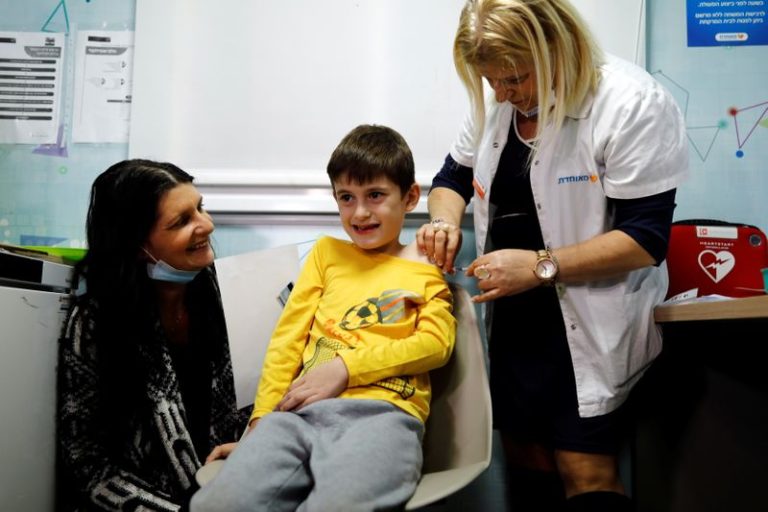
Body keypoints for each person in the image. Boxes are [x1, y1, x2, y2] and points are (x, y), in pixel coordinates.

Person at [415, 1, 689, 510]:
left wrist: (541, 266)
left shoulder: (630, 103)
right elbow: (452, 178)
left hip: (590, 317)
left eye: (514, 78)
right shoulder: (501, 104)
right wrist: (443, 222)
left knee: (585, 469)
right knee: (527, 463)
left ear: (555, 46)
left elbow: (644, 239)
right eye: (491, 81)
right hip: (515, 319)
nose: (501, 94)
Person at [190, 124, 456, 512]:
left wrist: (346, 368)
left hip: (383, 414)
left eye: (375, 195)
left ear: (411, 197)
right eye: (346, 198)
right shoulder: (327, 254)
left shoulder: (425, 267)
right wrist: (260, 423)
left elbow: (436, 344)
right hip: (295, 416)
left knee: (337, 504)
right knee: (218, 504)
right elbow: (288, 339)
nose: (359, 212)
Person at [57, 159, 248, 511]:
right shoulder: (96, 325)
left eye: (200, 207)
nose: (207, 224)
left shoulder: (224, 295)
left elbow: (259, 407)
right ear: (136, 244)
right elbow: (88, 466)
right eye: (182, 221)